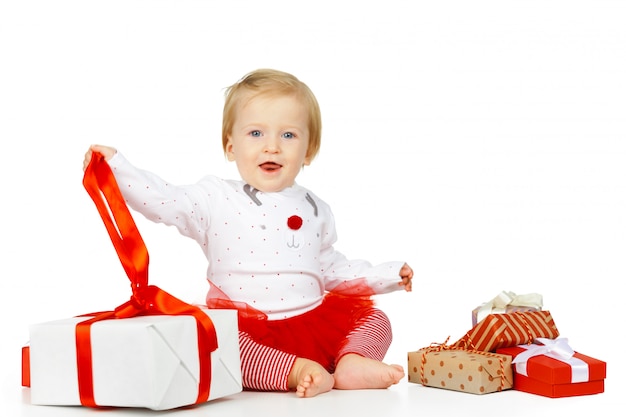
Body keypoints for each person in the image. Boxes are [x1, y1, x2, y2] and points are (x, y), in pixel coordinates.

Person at [83, 68, 413, 398]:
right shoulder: (215, 198)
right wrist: (117, 168)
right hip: (246, 330)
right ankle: (295, 371)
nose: (272, 147)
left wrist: (388, 276)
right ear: (230, 146)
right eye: (256, 133)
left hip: (313, 320)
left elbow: (332, 270)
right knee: (221, 347)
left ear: (308, 151)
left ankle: (352, 361)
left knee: (376, 320)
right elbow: (167, 200)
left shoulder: (316, 208)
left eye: (288, 135)